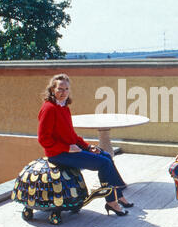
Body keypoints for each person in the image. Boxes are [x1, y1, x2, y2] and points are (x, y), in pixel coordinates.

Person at [37, 73, 133, 216]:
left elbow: (72, 135)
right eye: (60, 89)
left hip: (70, 150)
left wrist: (87, 147)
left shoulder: (63, 107)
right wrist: (67, 148)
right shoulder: (49, 108)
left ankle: (118, 195)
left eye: (66, 89)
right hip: (58, 154)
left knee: (105, 155)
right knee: (103, 164)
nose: (64, 93)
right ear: (52, 90)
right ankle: (112, 202)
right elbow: (43, 139)